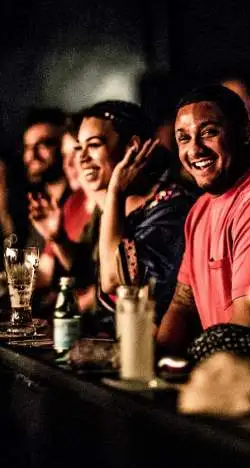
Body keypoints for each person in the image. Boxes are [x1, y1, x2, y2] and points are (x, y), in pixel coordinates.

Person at [156, 85, 250, 357]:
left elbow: (245, 328)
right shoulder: (200, 208)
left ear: (242, 132)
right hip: (221, 374)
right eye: (184, 139)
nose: (195, 149)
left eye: (209, 132)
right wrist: (150, 361)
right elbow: (183, 301)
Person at [29, 100, 194, 332]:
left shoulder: (169, 208)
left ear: (132, 147)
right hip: (114, 338)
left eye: (94, 145)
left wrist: (116, 189)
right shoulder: (114, 206)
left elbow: (112, 280)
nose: (81, 158)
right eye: (79, 147)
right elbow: (90, 273)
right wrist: (58, 239)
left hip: (151, 349)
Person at [22, 107, 70, 249]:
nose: (31, 156)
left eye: (43, 145)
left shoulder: (83, 203)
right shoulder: (35, 204)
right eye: (27, 147)